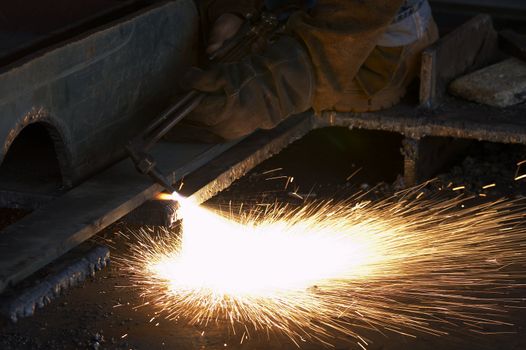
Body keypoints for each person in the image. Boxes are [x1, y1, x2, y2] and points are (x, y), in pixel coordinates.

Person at [179, 0, 438, 142]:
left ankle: (399, 46)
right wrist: (234, 10)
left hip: (369, 36)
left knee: (274, 87)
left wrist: (272, 88)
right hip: (293, 10)